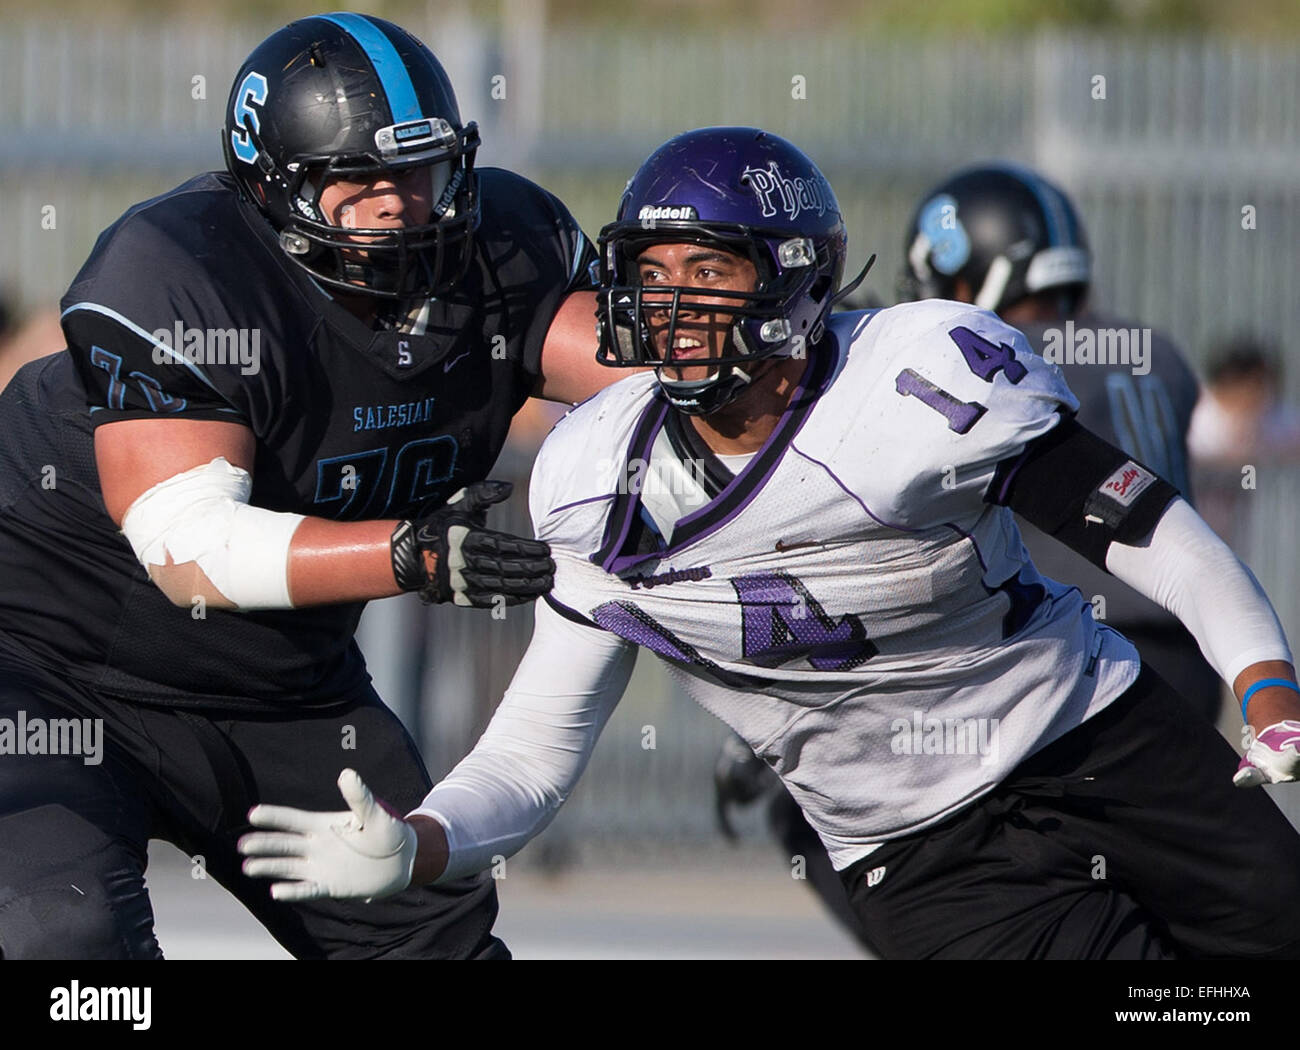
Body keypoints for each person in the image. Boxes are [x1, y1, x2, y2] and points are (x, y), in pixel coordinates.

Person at [239, 127, 1300, 959]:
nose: (671, 305)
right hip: (916, 852)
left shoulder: (915, 382)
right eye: (649, 274)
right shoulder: (596, 480)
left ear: (791, 278)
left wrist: (1264, 688)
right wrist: (419, 844)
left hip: (1096, 736)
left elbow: (1151, 532)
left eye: (706, 270)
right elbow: (532, 752)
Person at [0, 12, 614, 960]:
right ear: (271, 187)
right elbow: (190, 548)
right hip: (51, 669)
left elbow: (666, 392)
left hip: (284, 688)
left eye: (417, 170)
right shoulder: (185, 266)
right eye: (355, 177)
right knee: (64, 937)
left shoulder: (504, 250)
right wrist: (403, 555)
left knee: (437, 948)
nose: (395, 202)